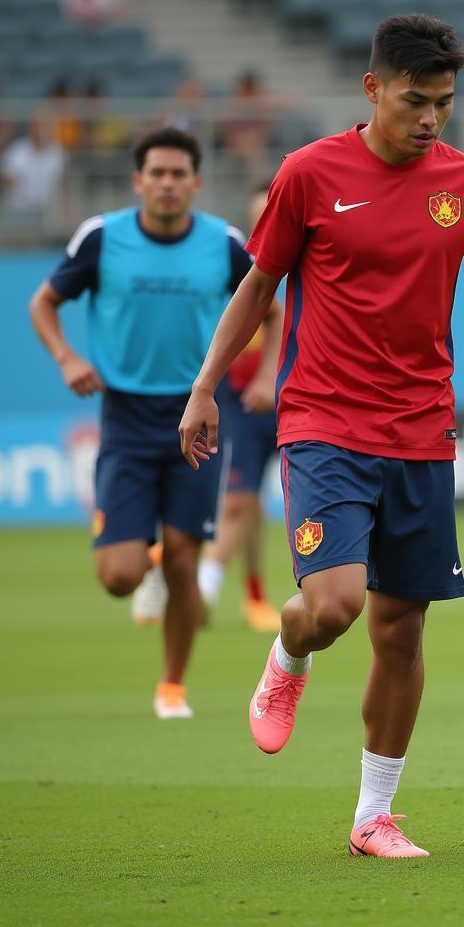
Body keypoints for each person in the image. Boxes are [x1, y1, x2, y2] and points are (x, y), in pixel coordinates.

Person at [177, 15, 464, 859]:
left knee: (401, 630)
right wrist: (204, 388)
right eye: (417, 100)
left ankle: (373, 815)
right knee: (334, 606)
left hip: (422, 430)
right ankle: (289, 650)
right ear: (373, 89)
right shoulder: (308, 174)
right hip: (325, 422)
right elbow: (260, 285)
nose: (432, 118)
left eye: (445, 103)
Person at [29, 127, 249, 718]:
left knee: (184, 558)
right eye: (158, 173)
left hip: (195, 412)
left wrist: (265, 374)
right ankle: (139, 555)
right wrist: (68, 357)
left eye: (180, 174)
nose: (168, 183)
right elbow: (43, 302)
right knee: (119, 577)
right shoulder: (103, 238)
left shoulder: (223, 243)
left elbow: (270, 306)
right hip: (125, 416)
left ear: (196, 183)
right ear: (138, 181)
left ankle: (172, 685)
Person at [196, 183, 285, 632]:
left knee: (253, 503)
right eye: (259, 215)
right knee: (238, 500)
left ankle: (254, 593)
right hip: (242, 399)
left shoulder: (314, 258)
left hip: (301, 395)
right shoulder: (237, 268)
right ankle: (202, 592)